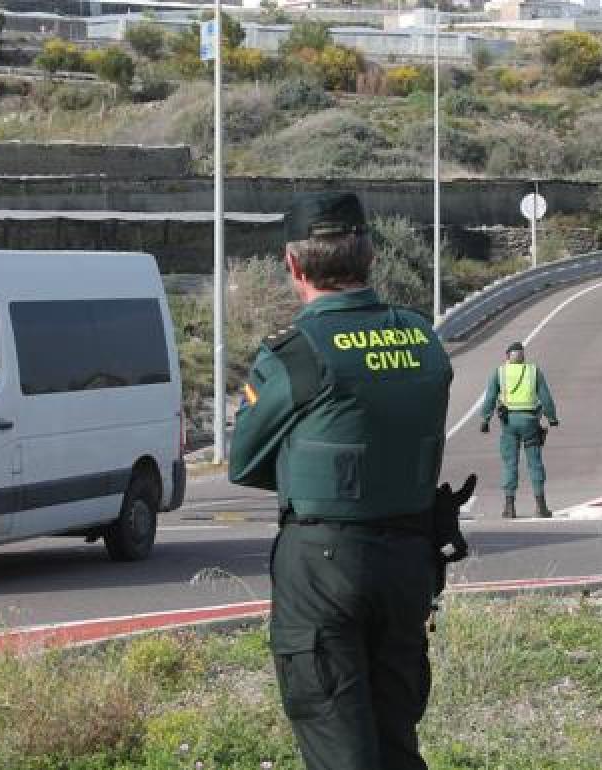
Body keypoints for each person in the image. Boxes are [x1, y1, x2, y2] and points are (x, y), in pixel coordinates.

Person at [229, 191, 469, 770]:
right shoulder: (421, 339)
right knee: (396, 742)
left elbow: (244, 459)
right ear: (371, 256)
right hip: (409, 560)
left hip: (323, 565)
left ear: (293, 265)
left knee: (339, 744)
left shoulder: (296, 352)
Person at [479, 341, 559, 518]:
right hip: (530, 422)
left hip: (508, 423)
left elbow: (490, 397)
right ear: (523, 357)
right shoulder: (533, 371)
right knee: (535, 463)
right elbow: (545, 397)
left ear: (507, 357)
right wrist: (552, 418)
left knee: (510, 463)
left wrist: (485, 419)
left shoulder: (500, 372)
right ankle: (541, 507)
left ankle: (510, 507)